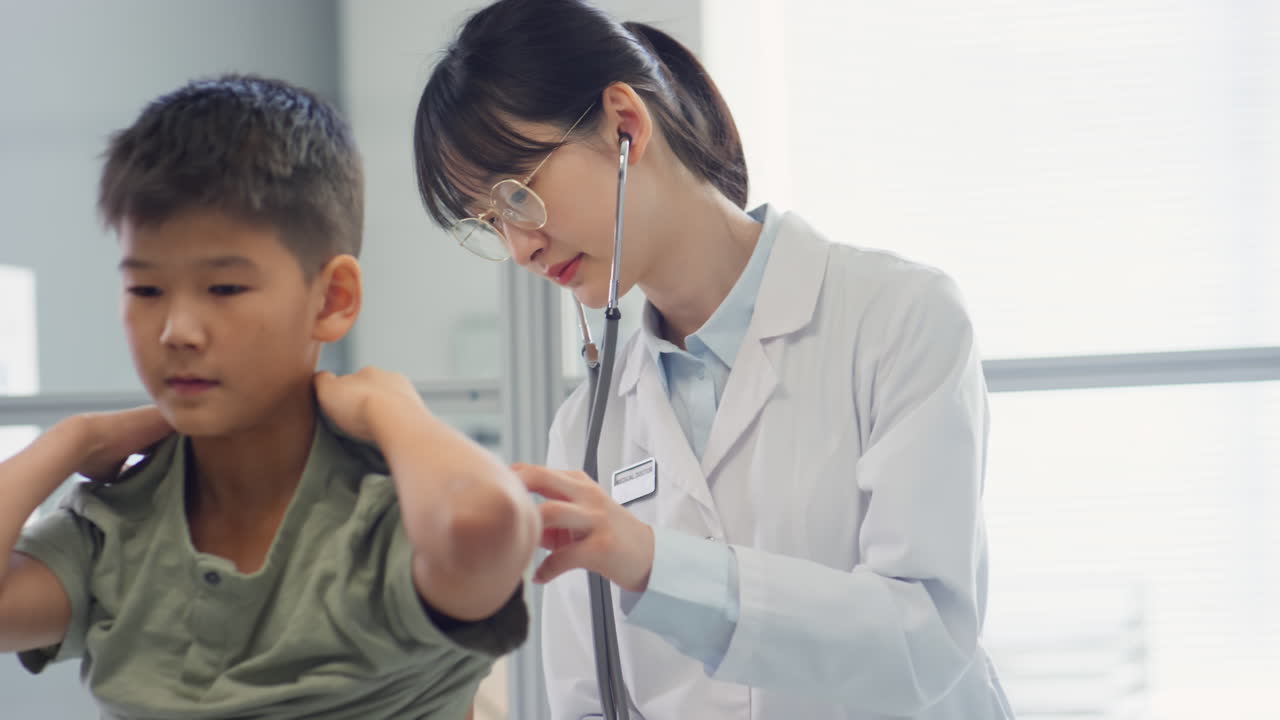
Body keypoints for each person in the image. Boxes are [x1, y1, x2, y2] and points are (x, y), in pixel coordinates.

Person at [412, 1, 1017, 719]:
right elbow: (584, 702)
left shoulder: (898, 316)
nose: (519, 248)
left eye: (519, 194)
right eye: (490, 222)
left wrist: (654, 564)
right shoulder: (585, 429)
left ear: (624, 125)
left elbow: (926, 637)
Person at [0, 74, 537, 720]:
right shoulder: (114, 526)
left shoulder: (388, 514)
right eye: (145, 291)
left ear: (333, 299)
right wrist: (72, 440)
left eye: (224, 288)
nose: (177, 332)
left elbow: (484, 525)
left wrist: (388, 407)